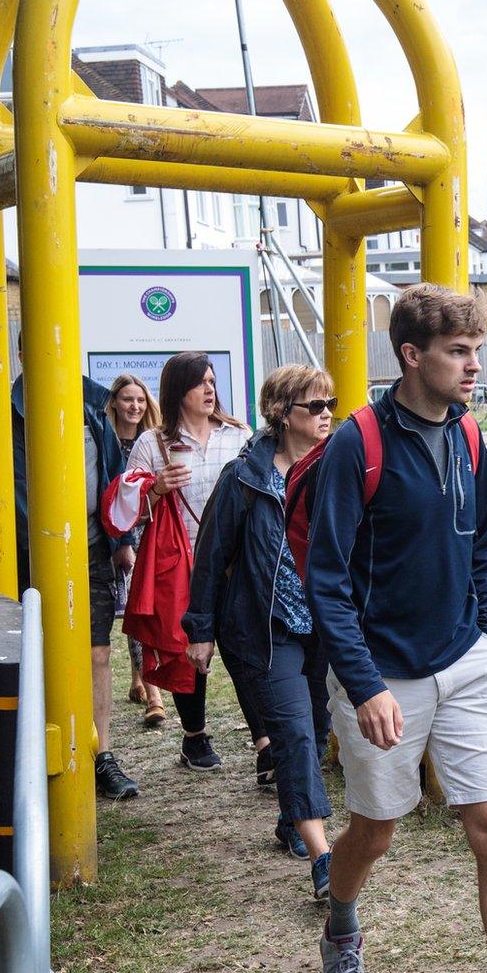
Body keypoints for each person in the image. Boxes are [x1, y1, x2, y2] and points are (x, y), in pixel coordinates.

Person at [305, 283, 487, 973]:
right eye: (458, 352)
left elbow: (481, 546)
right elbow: (326, 581)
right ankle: (341, 925)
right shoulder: (354, 444)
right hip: (383, 674)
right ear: (411, 354)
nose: (473, 367)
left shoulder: (467, 434)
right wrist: (364, 685)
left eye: (476, 351)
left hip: (467, 660)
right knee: (375, 829)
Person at [184, 364, 337, 898]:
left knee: (315, 730)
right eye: (313, 407)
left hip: (325, 628)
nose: (325, 416)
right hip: (265, 630)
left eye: (329, 405)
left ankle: (293, 818)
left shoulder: (336, 468)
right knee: (293, 732)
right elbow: (211, 556)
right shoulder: (244, 478)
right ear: (281, 413)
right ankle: (324, 859)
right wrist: (199, 629)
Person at [13, 364, 141, 800]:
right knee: (34, 655)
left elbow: (113, 476)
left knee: (98, 652)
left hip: (88, 548)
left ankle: (100, 755)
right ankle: (39, 753)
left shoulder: (89, 410)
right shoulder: (7, 412)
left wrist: (120, 537)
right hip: (28, 555)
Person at [125, 351, 253, 772]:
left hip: (237, 560)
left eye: (213, 381)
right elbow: (128, 511)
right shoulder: (153, 443)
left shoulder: (239, 435)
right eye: (201, 382)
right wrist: (156, 488)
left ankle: (266, 740)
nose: (210, 389)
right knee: (187, 651)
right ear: (180, 390)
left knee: (247, 647)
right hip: (181, 563)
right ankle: (195, 737)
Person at [106, 373, 168, 729]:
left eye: (141, 400)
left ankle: (142, 680)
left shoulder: (152, 442)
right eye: (128, 399)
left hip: (152, 535)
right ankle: (153, 692)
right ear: (114, 402)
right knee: (133, 609)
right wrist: (122, 543)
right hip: (118, 537)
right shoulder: (107, 441)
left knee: (145, 609)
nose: (135, 406)